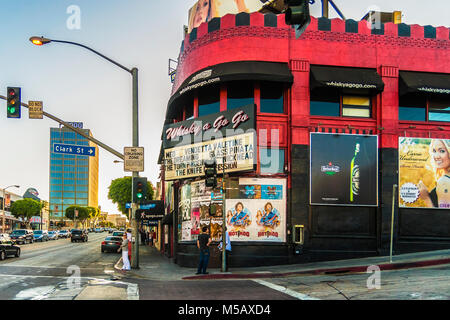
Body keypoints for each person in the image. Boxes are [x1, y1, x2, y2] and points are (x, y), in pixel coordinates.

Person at [418, 139, 450, 208]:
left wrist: (426, 198)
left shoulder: (444, 182)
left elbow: (443, 216)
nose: (436, 156)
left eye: (442, 151)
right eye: (434, 151)